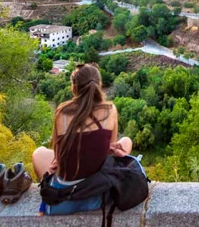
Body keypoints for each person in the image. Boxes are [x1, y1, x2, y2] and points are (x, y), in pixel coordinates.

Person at [31, 63, 134, 215]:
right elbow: (110, 149)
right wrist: (106, 147)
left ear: (74, 87)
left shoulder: (62, 112)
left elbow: (59, 155)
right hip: (98, 195)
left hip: (63, 199)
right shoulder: (109, 110)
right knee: (126, 141)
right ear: (99, 85)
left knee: (39, 153)